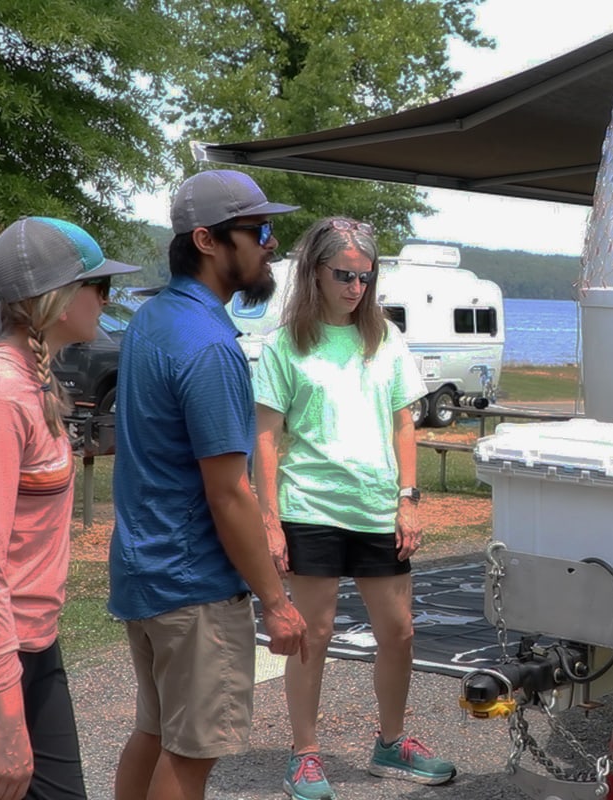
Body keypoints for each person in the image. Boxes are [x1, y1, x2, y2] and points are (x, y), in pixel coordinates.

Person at [0, 217, 138, 800]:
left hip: (25, 643)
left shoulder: (23, 379)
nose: (107, 300)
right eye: (99, 287)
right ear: (58, 300)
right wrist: (8, 725)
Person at [108, 170, 308, 800]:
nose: (271, 244)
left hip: (144, 569)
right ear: (208, 240)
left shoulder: (152, 320)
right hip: (193, 584)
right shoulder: (209, 345)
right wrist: (275, 603)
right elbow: (229, 493)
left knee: (155, 732)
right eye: (259, 231)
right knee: (192, 753)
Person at [253, 217, 457, 800]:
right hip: (309, 506)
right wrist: (270, 519)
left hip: (377, 508)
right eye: (344, 274)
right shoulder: (285, 344)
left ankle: (390, 743)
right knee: (311, 634)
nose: (355, 287)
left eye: (365, 277)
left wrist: (408, 500)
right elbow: (265, 437)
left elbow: (403, 424)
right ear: (313, 271)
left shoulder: (384, 339)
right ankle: (305, 755)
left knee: (399, 633)